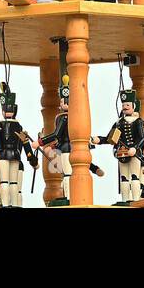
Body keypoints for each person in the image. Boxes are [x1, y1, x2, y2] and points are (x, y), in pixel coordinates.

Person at [36, 75, 104, 206]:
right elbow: (61, 136)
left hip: (67, 149)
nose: (64, 104)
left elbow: (56, 134)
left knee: (68, 174)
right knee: (75, 170)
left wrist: (40, 142)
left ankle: (69, 197)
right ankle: (94, 170)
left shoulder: (63, 118)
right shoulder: (76, 115)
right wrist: (53, 145)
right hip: (74, 148)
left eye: (66, 102)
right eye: (62, 102)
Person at [95, 89, 144, 204]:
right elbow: (111, 138)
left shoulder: (138, 121)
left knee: (134, 176)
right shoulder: (119, 123)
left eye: (127, 104)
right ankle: (125, 200)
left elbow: (142, 137)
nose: (125, 107)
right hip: (122, 154)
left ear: (133, 106)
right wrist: (99, 139)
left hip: (134, 154)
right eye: (123, 105)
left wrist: (135, 148)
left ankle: (136, 200)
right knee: (124, 177)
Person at [0, 85, 38, 208]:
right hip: (16, 155)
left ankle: (6, 204)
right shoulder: (19, 126)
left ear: (3, 110)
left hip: (3, 155)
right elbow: (26, 145)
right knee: (14, 182)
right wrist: (33, 160)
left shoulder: (0, 125)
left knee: (4, 181)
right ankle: (14, 204)